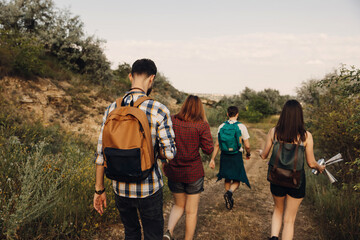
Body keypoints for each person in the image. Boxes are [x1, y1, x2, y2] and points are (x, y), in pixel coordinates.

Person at [93, 59, 176, 240]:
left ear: (130, 76)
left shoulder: (111, 108)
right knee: (153, 235)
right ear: (151, 79)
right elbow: (169, 153)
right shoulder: (158, 109)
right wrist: (154, 151)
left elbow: (101, 154)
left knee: (131, 232)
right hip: (149, 187)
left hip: (120, 187)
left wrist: (99, 190)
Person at [258, 100, 325, 240]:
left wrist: (260, 152)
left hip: (276, 178)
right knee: (289, 220)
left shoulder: (273, 132)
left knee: (277, 210)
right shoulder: (306, 136)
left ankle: (274, 237)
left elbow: (264, 155)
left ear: (283, 114)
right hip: (296, 181)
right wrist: (320, 167)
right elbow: (311, 163)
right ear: (299, 116)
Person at [163, 95, 214, 240]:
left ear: (184, 105)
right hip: (193, 172)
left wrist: (163, 161)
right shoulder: (201, 125)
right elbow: (208, 150)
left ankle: (169, 231)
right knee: (191, 211)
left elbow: (162, 141)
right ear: (200, 108)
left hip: (174, 170)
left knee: (178, 205)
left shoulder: (172, 120)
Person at [209, 106, 251, 210]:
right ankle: (229, 193)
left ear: (227, 114)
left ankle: (228, 200)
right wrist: (248, 154)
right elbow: (247, 145)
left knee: (227, 177)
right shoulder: (241, 126)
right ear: (237, 114)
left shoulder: (221, 126)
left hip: (224, 155)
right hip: (236, 155)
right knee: (237, 178)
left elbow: (217, 144)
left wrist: (212, 159)